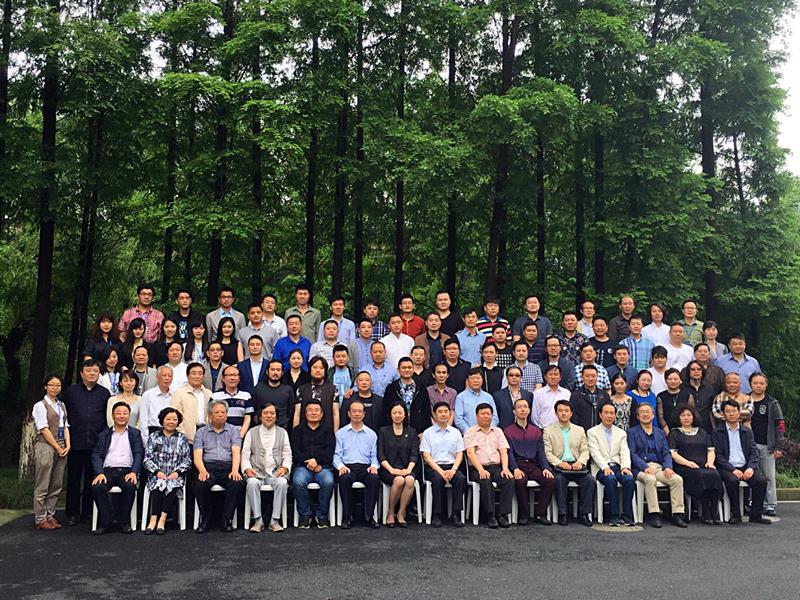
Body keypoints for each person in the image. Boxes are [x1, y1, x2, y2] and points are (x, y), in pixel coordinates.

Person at [63, 359, 110, 526]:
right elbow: (63, 415)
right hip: (75, 442)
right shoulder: (70, 392)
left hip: (96, 444)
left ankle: (88, 512)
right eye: (88, 370)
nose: (92, 373)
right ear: (82, 373)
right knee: (74, 479)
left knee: (93, 478)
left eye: (95, 371)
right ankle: (72, 513)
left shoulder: (104, 393)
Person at [627, 403, 687, 528]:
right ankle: (654, 513)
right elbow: (632, 454)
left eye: (648, 412)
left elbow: (666, 453)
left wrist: (668, 467)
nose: (645, 414)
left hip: (659, 467)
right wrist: (645, 467)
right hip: (641, 468)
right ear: (637, 416)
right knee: (650, 479)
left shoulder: (660, 433)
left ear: (653, 415)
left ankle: (677, 514)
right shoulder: (632, 432)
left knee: (677, 479)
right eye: (642, 412)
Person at [712, 401, 771, 525]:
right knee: (732, 481)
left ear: (739, 413)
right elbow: (718, 456)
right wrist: (732, 470)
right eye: (728, 411)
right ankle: (736, 514)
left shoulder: (747, 431)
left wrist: (750, 467)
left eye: (734, 411)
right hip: (727, 468)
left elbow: (754, 452)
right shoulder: (718, 432)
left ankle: (756, 514)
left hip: (745, 466)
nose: (731, 414)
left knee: (760, 481)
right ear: (723, 415)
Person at [90, 402, 144, 534]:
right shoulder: (104, 434)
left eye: (125, 413)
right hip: (107, 471)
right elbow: (96, 455)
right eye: (118, 413)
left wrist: (134, 472)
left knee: (130, 486)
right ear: (112, 415)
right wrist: (99, 473)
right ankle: (106, 521)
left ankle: (123, 522)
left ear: (129, 415)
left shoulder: (135, 433)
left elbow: (139, 453)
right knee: (97, 487)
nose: (121, 416)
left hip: (127, 471)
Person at [193, 400, 245, 533]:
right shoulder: (201, 432)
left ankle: (226, 519)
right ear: (210, 415)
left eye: (223, 412)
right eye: (217, 412)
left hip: (227, 467)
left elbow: (236, 452)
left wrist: (235, 470)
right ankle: (205, 519)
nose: (220, 415)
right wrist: (202, 471)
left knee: (237, 483)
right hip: (208, 467)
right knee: (200, 483)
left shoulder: (234, 430)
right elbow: (197, 455)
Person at [668, 404, 723, 525]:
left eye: (689, 415)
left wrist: (710, 462)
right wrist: (688, 463)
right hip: (685, 467)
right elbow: (673, 453)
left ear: (693, 417)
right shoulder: (674, 433)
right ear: (678, 418)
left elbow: (711, 450)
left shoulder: (702, 432)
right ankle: (705, 511)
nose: (686, 418)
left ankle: (714, 510)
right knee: (699, 475)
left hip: (704, 465)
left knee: (714, 474)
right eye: (683, 415)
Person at [242, 403, 292, 533]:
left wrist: (285, 468)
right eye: (265, 413)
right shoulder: (251, 432)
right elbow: (245, 454)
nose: (269, 416)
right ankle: (258, 520)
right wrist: (247, 469)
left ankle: (275, 520)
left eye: (272, 413)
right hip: (256, 472)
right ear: (260, 416)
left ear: (276, 416)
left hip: (276, 472)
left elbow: (287, 454)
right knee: (252, 483)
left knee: (282, 483)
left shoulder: (283, 433)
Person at [504, 398, 555, 526]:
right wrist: (514, 468)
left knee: (549, 480)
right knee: (520, 481)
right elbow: (509, 453)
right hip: (518, 464)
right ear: (514, 411)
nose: (523, 409)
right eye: (519, 407)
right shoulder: (508, 431)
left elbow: (540, 452)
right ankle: (524, 514)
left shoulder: (536, 431)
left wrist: (545, 468)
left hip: (533, 465)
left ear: (529, 410)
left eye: (525, 407)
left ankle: (540, 514)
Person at [543, 401, 594, 526]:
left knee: (589, 480)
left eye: (566, 411)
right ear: (556, 413)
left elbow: (585, 450)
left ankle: (583, 514)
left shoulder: (579, 430)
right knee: (559, 480)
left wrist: (580, 462)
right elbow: (547, 453)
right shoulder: (548, 430)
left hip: (577, 465)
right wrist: (560, 463)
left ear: (571, 413)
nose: (563, 413)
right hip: (560, 466)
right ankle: (563, 514)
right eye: (560, 411)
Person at [142, 407, 191, 535]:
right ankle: (153, 519)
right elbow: (147, 459)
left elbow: (187, 460)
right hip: (156, 474)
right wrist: (157, 472)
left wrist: (177, 472)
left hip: (175, 475)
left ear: (178, 421)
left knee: (171, 484)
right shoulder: (154, 437)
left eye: (174, 419)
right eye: (168, 419)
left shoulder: (182, 438)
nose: (171, 422)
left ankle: (162, 520)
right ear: (162, 420)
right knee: (159, 484)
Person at [464, 403, 514, 528]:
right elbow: (470, 453)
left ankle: (502, 515)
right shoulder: (470, 432)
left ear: (492, 416)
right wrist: (481, 469)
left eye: (488, 414)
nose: (486, 416)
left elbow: (504, 451)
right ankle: (490, 515)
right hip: (477, 468)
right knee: (485, 479)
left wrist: (505, 468)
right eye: (483, 414)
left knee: (508, 479)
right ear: (477, 416)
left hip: (496, 467)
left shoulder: (498, 431)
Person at [334, 400, 381, 528]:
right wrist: (341, 466)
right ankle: (347, 517)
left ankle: (369, 516)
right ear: (349, 413)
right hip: (348, 467)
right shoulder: (341, 433)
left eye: (360, 411)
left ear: (364, 414)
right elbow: (336, 455)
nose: (357, 414)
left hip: (365, 467)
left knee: (374, 478)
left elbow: (374, 455)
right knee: (344, 479)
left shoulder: (371, 434)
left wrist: (374, 466)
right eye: (354, 411)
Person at [588, 403, 635, 526]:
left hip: (618, 466)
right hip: (600, 467)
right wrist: (605, 467)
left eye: (612, 413)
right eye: (606, 413)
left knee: (629, 479)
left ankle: (627, 515)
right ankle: (613, 515)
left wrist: (625, 467)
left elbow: (625, 451)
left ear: (615, 416)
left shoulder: (621, 433)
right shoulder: (592, 432)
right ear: (600, 415)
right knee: (610, 479)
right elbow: (594, 453)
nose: (609, 416)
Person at [420, 402, 466, 527]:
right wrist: (440, 471)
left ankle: (456, 514)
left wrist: (453, 470)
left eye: (446, 411)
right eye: (440, 412)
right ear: (434, 415)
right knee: (437, 479)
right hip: (434, 467)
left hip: (452, 466)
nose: (443, 414)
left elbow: (460, 453)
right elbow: (426, 456)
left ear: (450, 414)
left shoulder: (456, 432)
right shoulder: (428, 433)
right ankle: (437, 514)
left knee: (460, 479)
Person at [33, 376, 70, 530]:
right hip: (46, 446)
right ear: (45, 386)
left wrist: (68, 444)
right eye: (52, 385)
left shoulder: (61, 405)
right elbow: (43, 429)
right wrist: (57, 447)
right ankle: (40, 518)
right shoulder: (40, 405)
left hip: (61, 445)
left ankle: (50, 515)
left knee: (56, 483)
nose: (55, 388)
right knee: (43, 483)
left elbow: (66, 425)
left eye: (58, 385)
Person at [291, 401, 336, 528]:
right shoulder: (297, 430)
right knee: (298, 482)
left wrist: (317, 461)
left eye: (316, 410)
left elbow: (330, 451)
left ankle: (321, 516)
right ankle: (305, 516)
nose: (313, 413)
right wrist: (310, 462)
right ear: (305, 414)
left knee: (328, 482)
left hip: (323, 467)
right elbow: (296, 451)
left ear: (322, 414)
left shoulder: (328, 430)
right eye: (310, 410)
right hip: (302, 467)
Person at [748, 373, 785, 516]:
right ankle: (752, 503)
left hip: (766, 444)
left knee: (768, 476)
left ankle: (769, 504)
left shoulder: (772, 403)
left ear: (766, 385)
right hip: (749, 444)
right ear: (750, 384)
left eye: (761, 383)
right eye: (755, 383)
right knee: (751, 475)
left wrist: (779, 446)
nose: (758, 386)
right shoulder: (745, 399)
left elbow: (779, 424)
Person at [378, 403, 419, 527]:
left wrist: (408, 469)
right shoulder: (383, 431)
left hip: (407, 468)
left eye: (400, 413)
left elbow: (414, 454)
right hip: (388, 468)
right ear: (390, 415)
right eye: (394, 413)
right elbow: (381, 454)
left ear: (405, 414)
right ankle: (391, 512)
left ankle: (401, 512)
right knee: (399, 480)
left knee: (410, 480)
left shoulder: (412, 432)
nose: (397, 415)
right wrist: (391, 470)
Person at [383, 357, 429, 434]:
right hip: (396, 431)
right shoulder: (391, 388)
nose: (407, 370)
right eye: (404, 368)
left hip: (417, 431)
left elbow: (426, 410)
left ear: (413, 369)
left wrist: (424, 431)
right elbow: (386, 411)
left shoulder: (421, 387)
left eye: (409, 367)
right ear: (398, 370)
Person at [171, 362, 213, 446]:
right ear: (187, 376)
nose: (197, 376)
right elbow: (175, 414)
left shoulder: (208, 393)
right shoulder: (180, 393)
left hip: (206, 434)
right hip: (186, 437)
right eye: (194, 373)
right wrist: (182, 433)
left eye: (200, 374)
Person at [294, 356, 340, 432]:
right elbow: (297, 414)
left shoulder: (333, 390)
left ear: (325, 371)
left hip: (327, 432)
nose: (318, 370)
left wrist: (335, 434)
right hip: (304, 433)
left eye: (321, 368)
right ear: (310, 369)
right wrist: (295, 434)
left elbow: (336, 414)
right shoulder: (301, 390)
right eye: (315, 367)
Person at [211, 366, 253, 439]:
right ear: (223, 379)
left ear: (239, 378)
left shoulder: (246, 396)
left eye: (235, 375)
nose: (232, 378)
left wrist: (240, 436)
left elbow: (247, 418)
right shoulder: (215, 396)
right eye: (229, 375)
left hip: (239, 437)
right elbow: (210, 417)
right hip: (219, 437)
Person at [252, 360, 294, 430]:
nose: (275, 372)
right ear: (267, 372)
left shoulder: (288, 389)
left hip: (282, 428)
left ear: (282, 372)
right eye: (272, 370)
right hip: (261, 428)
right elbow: (255, 408)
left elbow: (290, 411)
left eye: (278, 370)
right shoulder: (258, 388)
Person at [454, 368, 498, 433]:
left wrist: (488, 431)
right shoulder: (461, 397)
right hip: (469, 434)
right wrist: (470, 432)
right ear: (467, 380)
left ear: (482, 380)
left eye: (478, 378)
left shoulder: (488, 397)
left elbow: (495, 418)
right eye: (472, 378)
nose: (475, 381)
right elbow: (458, 419)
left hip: (488, 434)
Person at [138, 366, 174, 443]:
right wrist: (146, 441)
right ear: (157, 378)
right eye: (164, 375)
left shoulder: (175, 395)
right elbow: (143, 421)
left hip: (172, 434)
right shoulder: (148, 395)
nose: (167, 378)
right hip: (153, 433)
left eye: (170, 376)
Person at [569, 365, 608, 431]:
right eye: (587, 376)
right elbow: (573, 417)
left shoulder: (604, 395)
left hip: (600, 433)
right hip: (582, 433)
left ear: (597, 377)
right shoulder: (576, 395)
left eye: (593, 376)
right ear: (582, 377)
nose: (590, 379)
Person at [530, 365, 570, 429]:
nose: (553, 377)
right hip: (544, 429)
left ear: (560, 377)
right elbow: (535, 416)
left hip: (563, 429)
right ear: (545, 377)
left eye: (556, 374)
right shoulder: (538, 394)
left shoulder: (566, 393)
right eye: (550, 374)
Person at [656, 368, 693, 435]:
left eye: (675, 379)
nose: (673, 381)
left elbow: (692, 412)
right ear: (666, 381)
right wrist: (666, 430)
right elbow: (660, 416)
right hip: (667, 430)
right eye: (670, 379)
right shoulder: (661, 396)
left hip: (685, 429)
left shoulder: (687, 395)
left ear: (680, 380)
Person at [684, 360, 716, 432]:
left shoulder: (709, 388)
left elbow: (712, 410)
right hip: (688, 428)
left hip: (707, 428)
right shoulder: (682, 388)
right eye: (693, 369)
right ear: (688, 372)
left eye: (699, 369)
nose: (696, 371)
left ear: (702, 372)